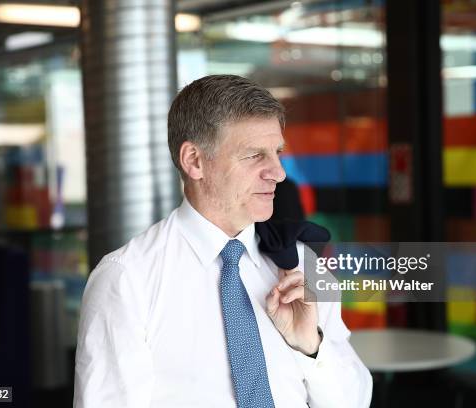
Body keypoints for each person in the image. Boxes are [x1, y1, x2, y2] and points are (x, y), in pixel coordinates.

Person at [74, 75, 372, 407]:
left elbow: (354, 401)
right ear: (194, 161)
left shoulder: (302, 265)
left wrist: (310, 346)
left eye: (276, 153)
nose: (278, 172)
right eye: (254, 155)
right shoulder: (128, 280)